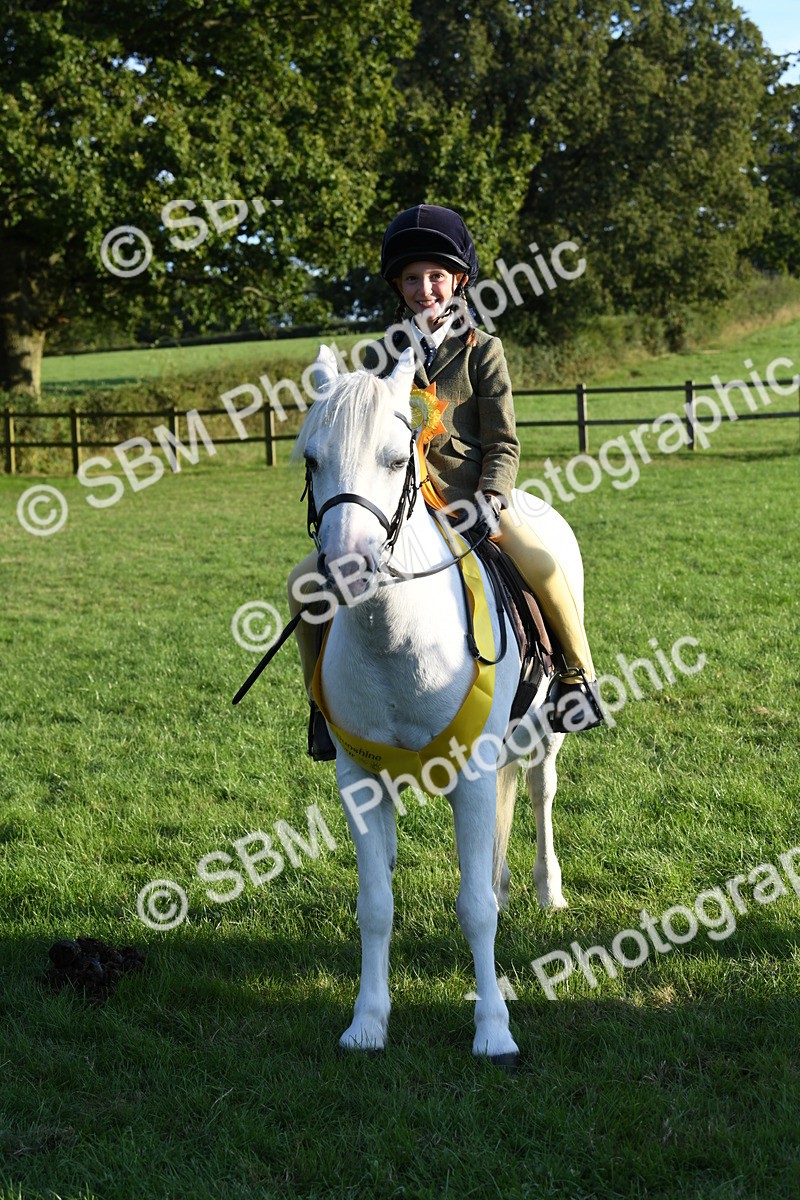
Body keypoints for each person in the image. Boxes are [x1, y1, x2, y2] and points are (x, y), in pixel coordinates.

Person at [289, 203, 604, 759]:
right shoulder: (379, 356)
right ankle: (321, 707)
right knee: (302, 583)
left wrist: (491, 496)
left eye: (436, 276)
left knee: (541, 560)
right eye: (412, 278)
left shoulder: (484, 353)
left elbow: (503, 441)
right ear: (398, 285)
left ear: (457, 281)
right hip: (393, 504)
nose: (424, 288)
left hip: (468, 494)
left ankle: (578, 674)